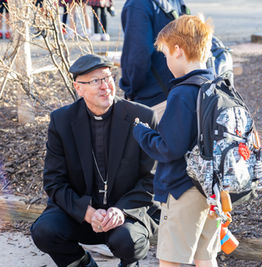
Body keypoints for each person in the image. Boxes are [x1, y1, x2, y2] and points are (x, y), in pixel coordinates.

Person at [30, 53, 160, 267]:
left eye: (108, 78)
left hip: (126, 215)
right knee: (45, 231)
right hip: (80, 214)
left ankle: (128, 263)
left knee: (127, 241)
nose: (105, 86)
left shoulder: (142, 118)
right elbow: (54, 181)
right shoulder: (62, 121)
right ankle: (83, 264)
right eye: (95, 81)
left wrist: (120, 211)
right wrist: (87, 213)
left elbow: (152, 178)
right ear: (78, 88)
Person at [133, 15, 220, 267]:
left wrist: (141, 131)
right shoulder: (216, 85)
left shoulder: (182, 92)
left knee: (171, 259)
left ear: (178, 51)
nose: (167, 61)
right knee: (206, 257)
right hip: (213, 188)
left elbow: (168, 147)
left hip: (184, 188)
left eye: (166, 55)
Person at [119, 0, 189, 107]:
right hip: (182, 92)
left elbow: (138, 56)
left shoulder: (137, 4)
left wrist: (130, 89)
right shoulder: (176, 2)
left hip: (153, 99)